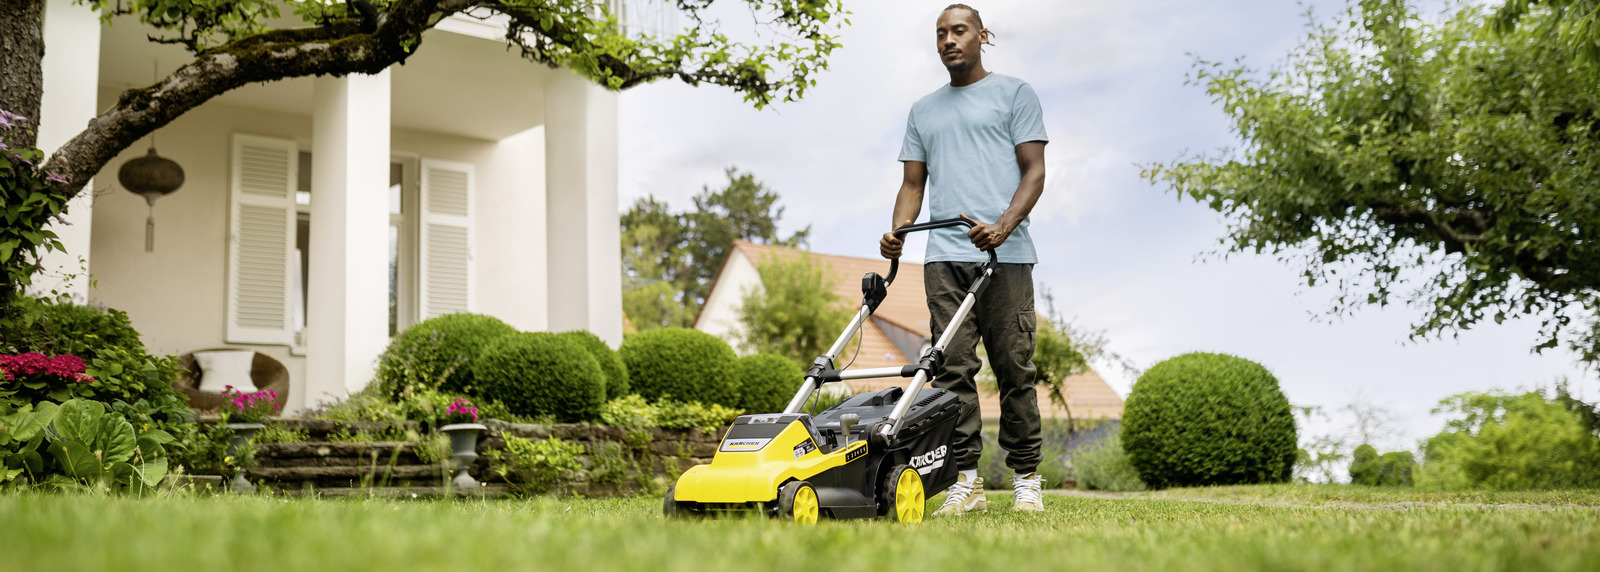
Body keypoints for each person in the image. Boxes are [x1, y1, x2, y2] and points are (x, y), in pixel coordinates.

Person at [879, 3, 1048, 515]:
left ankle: (1026, 478)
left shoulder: (1015, 93)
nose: (949, 40)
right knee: (951, 370)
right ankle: (966, 481)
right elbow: (912, 184)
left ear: (982, 36)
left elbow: (1035, 171)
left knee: (1014, 367)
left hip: (1006, 255)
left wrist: (1003, 226)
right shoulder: (923, 110)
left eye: (959, 31)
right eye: (941, 34)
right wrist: (897, 233)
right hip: (944, 256)